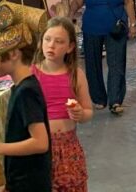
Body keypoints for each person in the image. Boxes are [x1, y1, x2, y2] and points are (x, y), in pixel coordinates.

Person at [0, 38, 52, 192]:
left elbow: (40, 142)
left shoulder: (26, 92)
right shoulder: (20, 88)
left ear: (13, 53)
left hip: (29, 184)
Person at [70, 0, 136, 115]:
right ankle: (99, 98)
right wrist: (69, 17)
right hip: (92, 27)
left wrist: (133, 23)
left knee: (116, 63)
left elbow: (128, 1)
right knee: (92, 63)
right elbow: (78, 1)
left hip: (115, 27)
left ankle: (115, 101)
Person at [33, 17, 94, 192]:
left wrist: (81, 114)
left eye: (59, 42)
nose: (51, 45)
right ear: (40, 42)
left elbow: (89, 110)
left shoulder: (76, 74)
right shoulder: (32, 74)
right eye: (47, 39)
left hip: (68, 148)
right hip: (40, 147)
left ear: (70, 47)